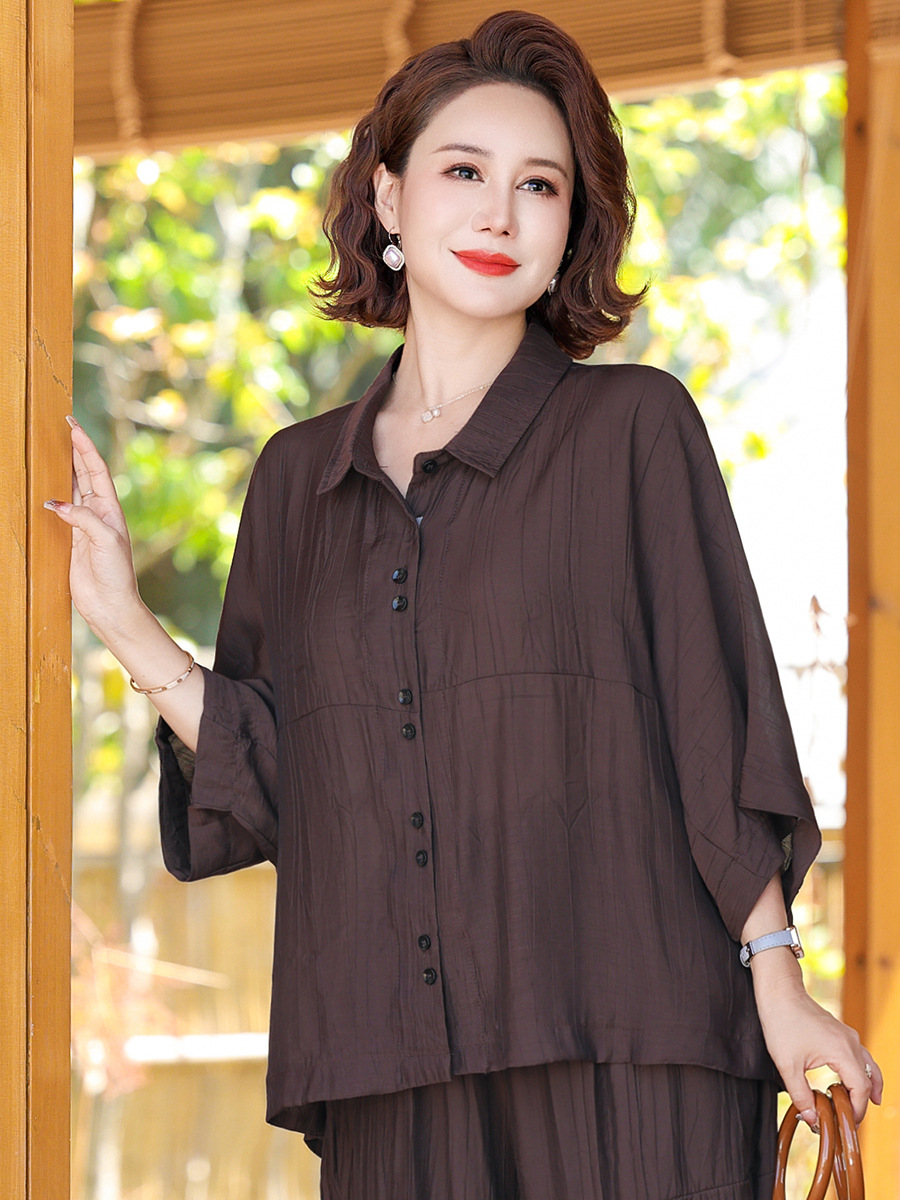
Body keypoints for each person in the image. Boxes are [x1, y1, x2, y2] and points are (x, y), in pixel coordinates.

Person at [48, 9, 882, 1199]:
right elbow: (288, 787)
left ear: (570, 228)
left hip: (633, 1056)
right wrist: (127, 624)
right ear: (388, 198)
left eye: (539, 185)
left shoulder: (633, 431)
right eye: (463, 172)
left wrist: (779, 981)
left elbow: (720, 724)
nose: (500, 213)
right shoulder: (296, 480)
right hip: (393, 1074)